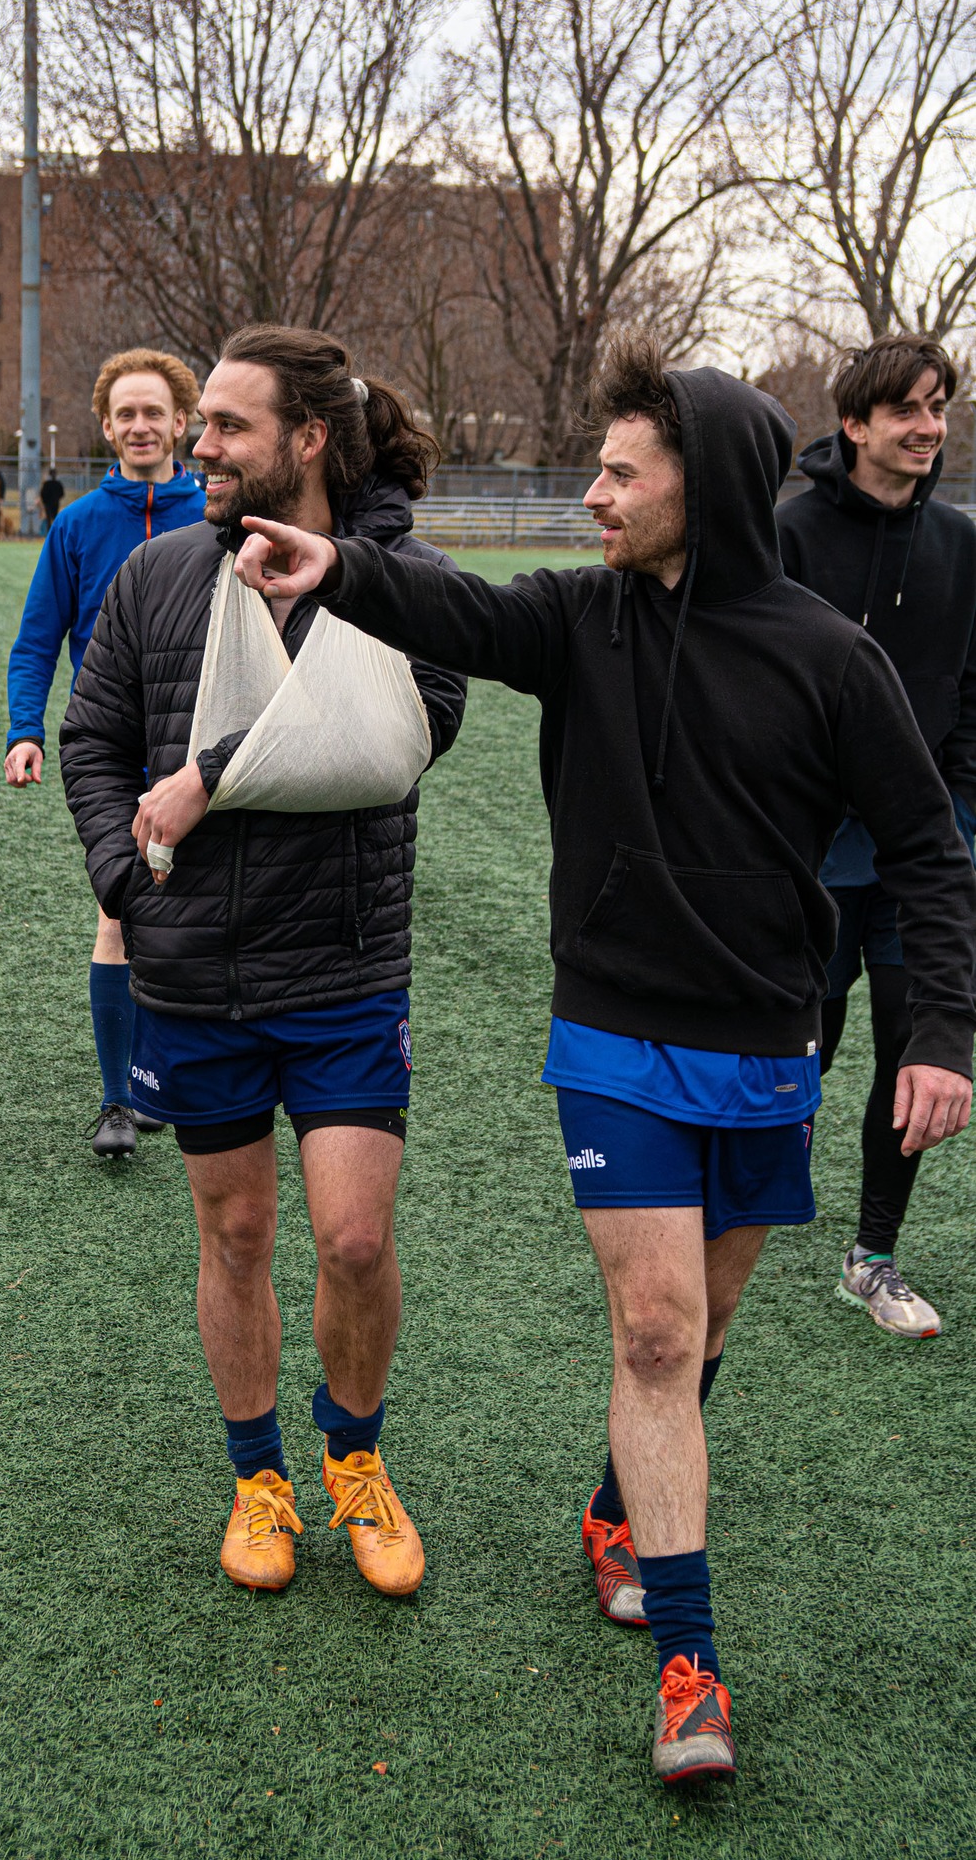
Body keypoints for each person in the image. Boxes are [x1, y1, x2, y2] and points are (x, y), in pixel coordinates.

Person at [230, 331, 975, 1782]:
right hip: (612, 1038)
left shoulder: (833, 659)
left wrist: (938, 1030)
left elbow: (927, 856)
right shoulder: (580, 617)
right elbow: (462, 614)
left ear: (705, 487)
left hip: (770, 1042)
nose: (591, 495)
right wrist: (340, 572)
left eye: (619, 473)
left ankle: (614, 1504)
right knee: (651, 1329)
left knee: (698, 1331)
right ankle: (690, 1672)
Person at [61, 326, 467, 1600]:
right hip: (198, 973)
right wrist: (126, 883)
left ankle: (355, 1458)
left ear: (306, 439)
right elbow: (91, 739)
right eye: (201, 424)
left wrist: (201, 781)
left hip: (347, 966)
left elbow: (396, 741)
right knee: (236, 1234)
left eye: (228, 426)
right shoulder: (158, 575)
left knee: (352, 1238)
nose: (199, 445)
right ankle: (260, 1477)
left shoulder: (403, 579)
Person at [777, 335, 974, 1338]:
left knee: (914, 1050)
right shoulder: (791, 535)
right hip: (805, 854)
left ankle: (875, 1255)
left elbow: (971, 701)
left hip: (916, 855)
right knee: (803, 1043)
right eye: (908, 408)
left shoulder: (961, 547)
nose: (929, 426)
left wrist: (958, 828)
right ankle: (754, 1184)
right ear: (855, 423)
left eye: (938, 406)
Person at [5, 349, 207, 1157]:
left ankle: (176, 1080)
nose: (139, 425)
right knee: (120, 912)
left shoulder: (217, 514)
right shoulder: (80, 523)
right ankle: (118, 1100)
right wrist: (25, 729)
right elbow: (36, 641)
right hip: (115, 750)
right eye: (125, 413)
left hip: (204, 745)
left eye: (153, 411)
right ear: (105, 426)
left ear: (180, 421)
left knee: (200, 920)